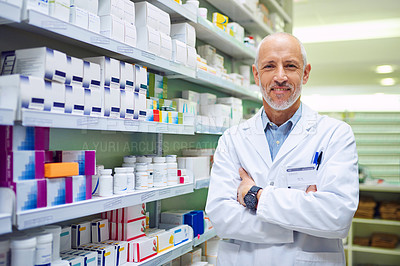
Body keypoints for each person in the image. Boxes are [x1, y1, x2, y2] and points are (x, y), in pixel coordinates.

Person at [205, 32, 359, 266]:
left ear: (305, 73)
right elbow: (221, 217)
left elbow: (337, 217)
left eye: (290, 66)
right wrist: (298, 222)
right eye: (269, 66)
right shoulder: (232, 139)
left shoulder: (335, 134)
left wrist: (256, 195)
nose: (280, 76)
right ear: (256, 75)